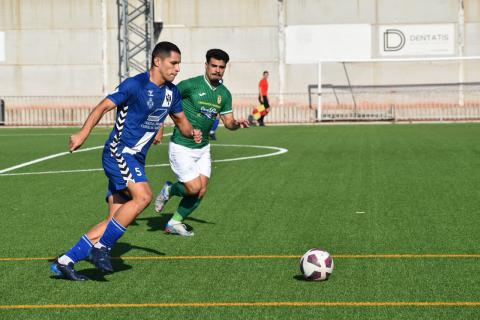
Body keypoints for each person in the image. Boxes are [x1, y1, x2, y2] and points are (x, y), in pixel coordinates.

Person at [50, 41, 202, 281]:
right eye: (173, 63)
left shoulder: (171, 93)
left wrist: (192, 131)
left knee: (116, 219)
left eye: (179, 64)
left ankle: (65, 261)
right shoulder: (135, 85)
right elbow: (103, 107)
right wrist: (82, 134)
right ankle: (101, 249)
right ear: (157, 61)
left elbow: (182, 123)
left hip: (136, 159)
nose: (177, 69)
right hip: (119, 152)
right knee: (143, 196)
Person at [153, 48, 249, 236]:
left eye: (221, 67)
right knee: (193, 187)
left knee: (201, 190)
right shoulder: (190, 85)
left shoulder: (225, 94)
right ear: (206, 65)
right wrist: (160, 127)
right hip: (181, 145)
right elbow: (165, 101)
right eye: (214, 65)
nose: (217, 70)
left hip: (203, 148)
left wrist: (236, 124)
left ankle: (174, 223)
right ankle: (170, 189)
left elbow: (228, 123)